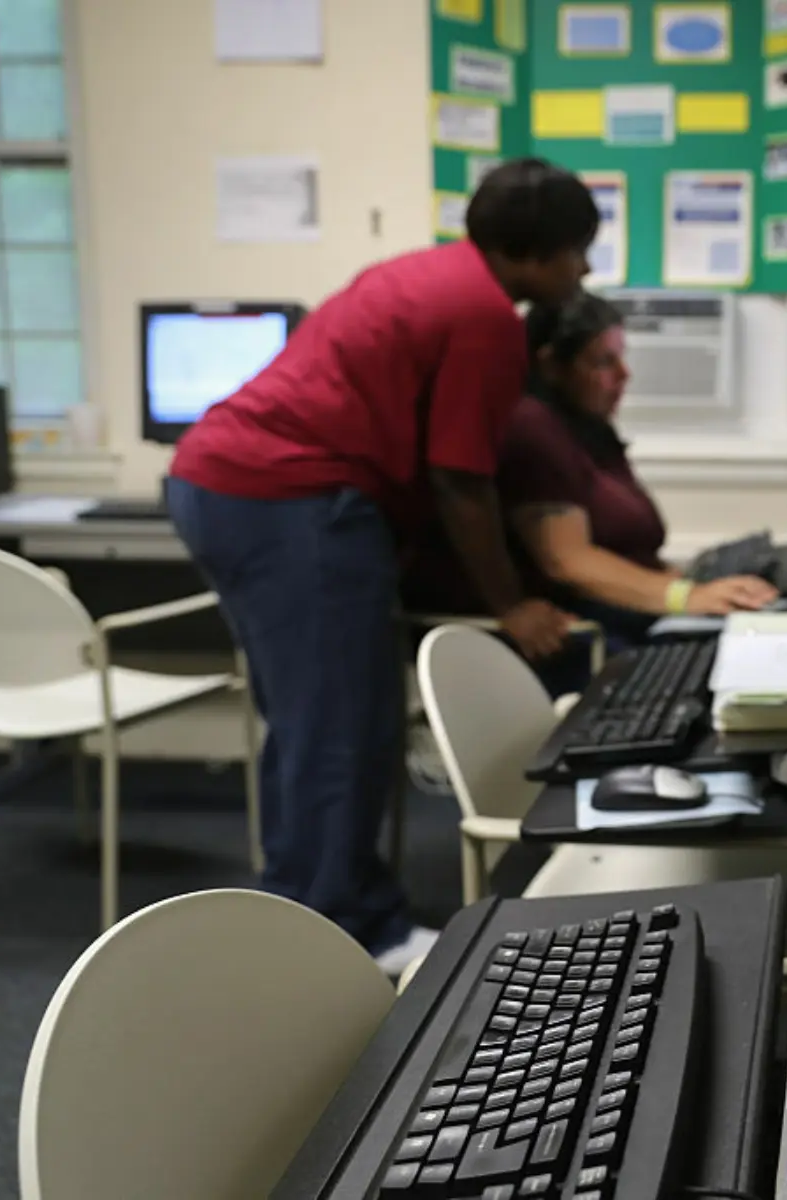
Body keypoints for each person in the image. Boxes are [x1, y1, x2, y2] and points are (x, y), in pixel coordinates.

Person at [164, 159, 597, 977]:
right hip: (290, 499)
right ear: (534, 253)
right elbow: (459, 481)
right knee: (344, 725)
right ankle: (351, 930)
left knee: (307, 720)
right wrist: (511, 607)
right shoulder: (480, 315)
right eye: (578, 251)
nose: (583, 270)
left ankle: (296, 906)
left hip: (221, 483)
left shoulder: (427, 273)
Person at [495, 292, 778, 694]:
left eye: (621, 357)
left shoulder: (589, 429)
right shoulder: (533, 427)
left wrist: (696, 585)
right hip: (586, 635)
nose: (624, 374)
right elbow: (568, 561)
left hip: (624, 618)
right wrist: (687, 595)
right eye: (603, 362)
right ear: (551, 366)